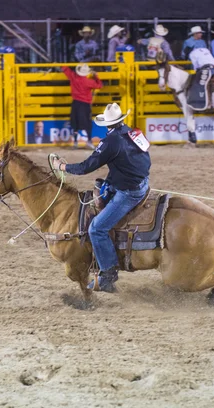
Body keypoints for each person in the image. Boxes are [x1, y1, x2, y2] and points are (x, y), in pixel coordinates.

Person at [51, 103, 151, 293]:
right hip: (142, 182)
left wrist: (62, 167)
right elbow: (145, 159)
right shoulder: (133, 133)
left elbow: (86, 166)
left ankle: (108, 273)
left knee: (96, 228)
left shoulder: (110, 141)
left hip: (129, 191)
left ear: (107, 124)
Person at [62, 63, 103, 149]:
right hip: (85, 105)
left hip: (76, 103)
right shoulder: (89, 82)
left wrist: (61, 64)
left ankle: (76, 142)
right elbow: (99, 85)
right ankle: (89, 141)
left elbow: (65, 69)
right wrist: (96, 77)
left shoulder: (73, 77)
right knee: (87, 123)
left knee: (75, 124)